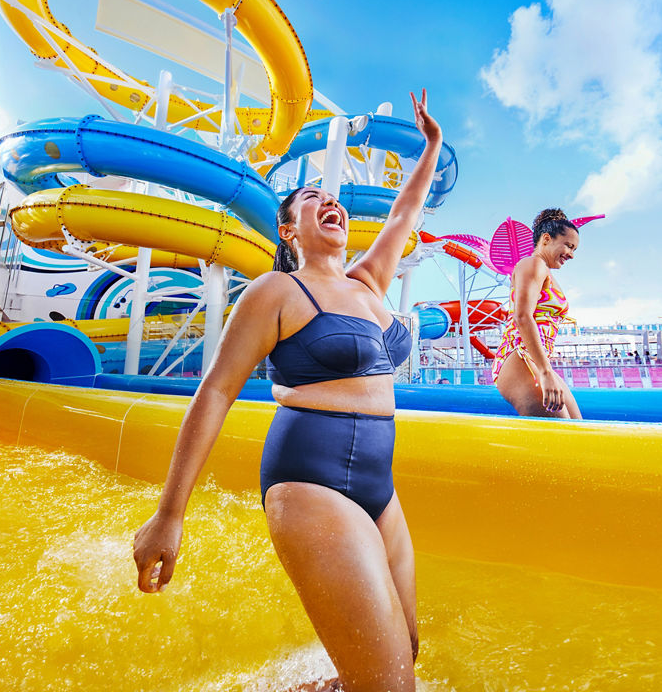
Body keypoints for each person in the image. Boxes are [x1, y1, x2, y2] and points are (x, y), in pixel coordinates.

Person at [132, 90, 443, 692]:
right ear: (288, 228)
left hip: (379, 483)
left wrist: (429, 146)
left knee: (405, 652)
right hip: (311, 478)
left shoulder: (370, 283)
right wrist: (170, 515)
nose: (329, 202)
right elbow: (217, 392)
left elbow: (406, 212)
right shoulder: (275, 291)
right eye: (311, 199)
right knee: (389, 685)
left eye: (333, 198)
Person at [491, 208, 582, 418]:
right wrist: (545, 372)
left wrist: (546, 369)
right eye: (568, 246)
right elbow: (522, 317)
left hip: (532, 360)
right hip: (520, 357)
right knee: (564, 439)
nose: (572, 254)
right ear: (547, 239)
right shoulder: (533, 264)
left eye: (574, 249)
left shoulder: (542, 269)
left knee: (578, 429)